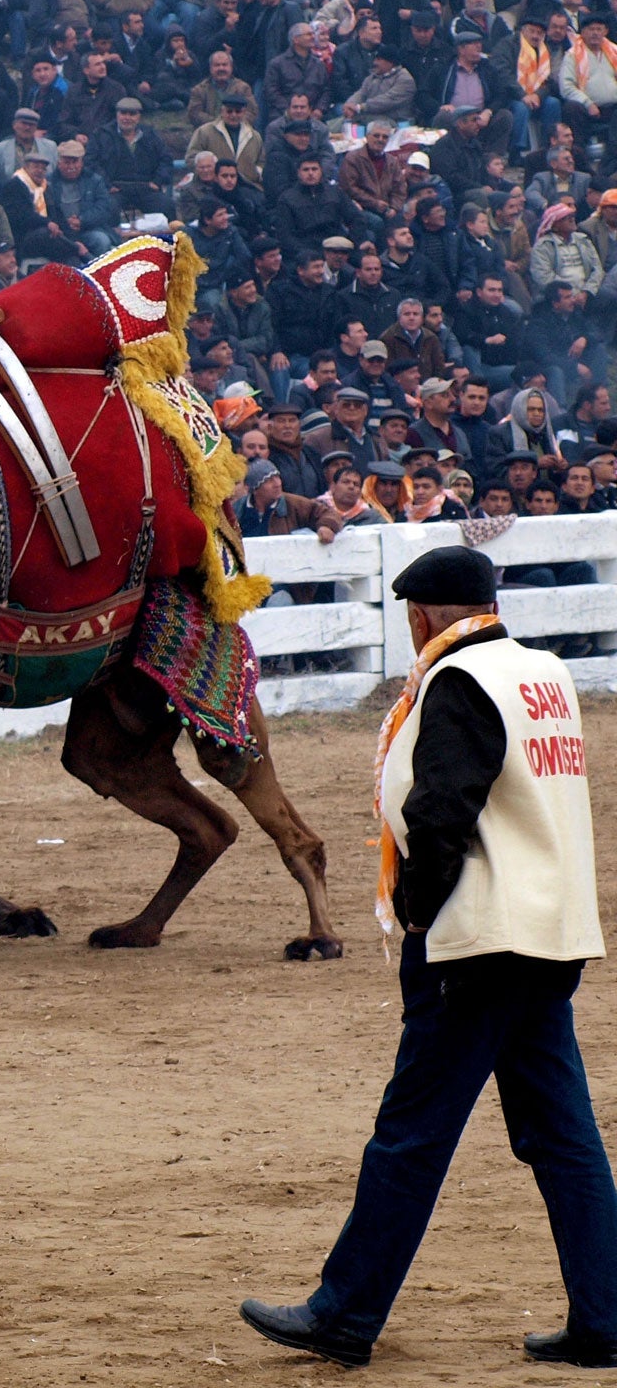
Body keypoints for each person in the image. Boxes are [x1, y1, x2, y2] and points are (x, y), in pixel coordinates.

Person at [241, 547, 616, 1370]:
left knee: (410, 1138)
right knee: (564, 1139)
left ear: (420, 616)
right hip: (549, 935)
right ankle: (606, 1316)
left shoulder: (457, 683)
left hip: (478, 941)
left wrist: (416, 912)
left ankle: (345, 1313)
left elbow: (439, 811)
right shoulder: (544, 672)